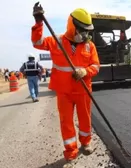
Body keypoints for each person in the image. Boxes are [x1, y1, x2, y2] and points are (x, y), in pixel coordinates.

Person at [31, 3, 100, 168]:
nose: (85, 34)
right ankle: (71, 150)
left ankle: (86, 143)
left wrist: (85, 71)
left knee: (85, 119)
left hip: (83, 90)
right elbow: (37, 42)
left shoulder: (90, 46)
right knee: (66, 122)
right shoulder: (57, 41)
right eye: (82, 29)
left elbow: (96, 66)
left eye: (87, 30)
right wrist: (38, 23)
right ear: (72, 25)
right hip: (64, 92)